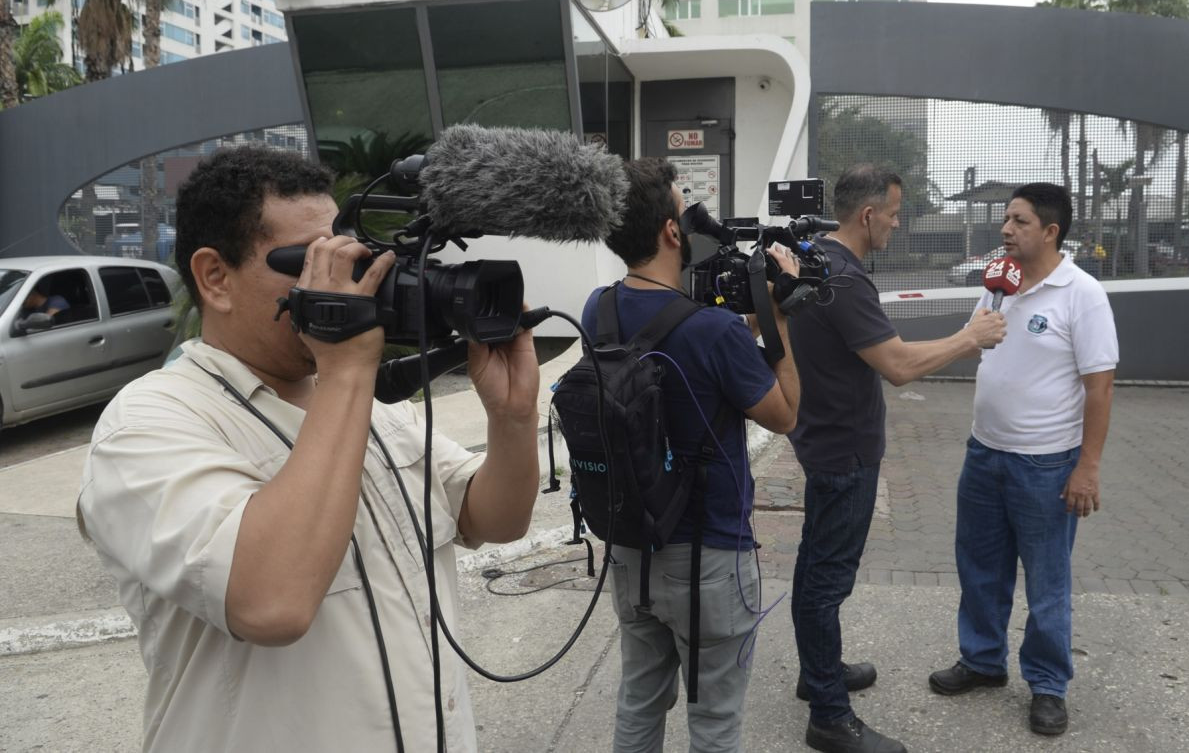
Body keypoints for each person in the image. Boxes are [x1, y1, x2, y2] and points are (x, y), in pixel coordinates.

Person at [77, 146, 542, 752]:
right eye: (310, 262)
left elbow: (494, 519)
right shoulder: (147, 424)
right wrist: (348, 367)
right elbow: (272, 602)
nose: (339, 281)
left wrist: (512, 416)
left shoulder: (361, 402)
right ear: (215, 277)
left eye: (343, 255)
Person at [581, 157, 802, 752]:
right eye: (686, 209)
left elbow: (683, 342)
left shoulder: (596, 310)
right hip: (709, 557)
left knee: (639, 701)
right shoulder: (716, 331)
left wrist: (749, 321)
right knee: (714, 721)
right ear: (672, 233)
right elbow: (784, 414)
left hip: (631, 546)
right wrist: (776, 321)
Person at [787, 164, 1008, 753]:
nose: (896, 221)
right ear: (867, 215)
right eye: (892, 211)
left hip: (819, 440)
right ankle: (829, 718)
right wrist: (972, 337)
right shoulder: (844, 279)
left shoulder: (810, 260)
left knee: (815, 568)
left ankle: (818, 674)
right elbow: (900, 367)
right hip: (844, 451)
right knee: (826, 583)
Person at [928, 183, 1117, 737]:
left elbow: (1100, 387)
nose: (1006, 230)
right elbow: (980, 344)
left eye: (1019, 221)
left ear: (1051, 231)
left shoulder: (1082, 293)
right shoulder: (998, 285)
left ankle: (1048, 684)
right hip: (983, 454)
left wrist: (1088, 467)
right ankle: (983, 660)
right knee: (979, 567)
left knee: (1047, 581)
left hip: (1046, 466)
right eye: (1007, 220)